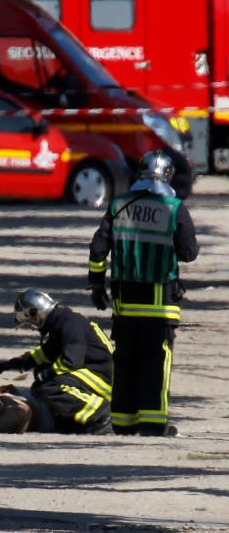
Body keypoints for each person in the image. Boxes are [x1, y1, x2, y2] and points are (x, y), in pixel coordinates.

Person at [88, 150, 199, 437]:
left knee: (125, 362)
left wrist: (97, 284)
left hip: (124, 305)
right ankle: (153, 425)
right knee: (156, 363)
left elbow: (98, 249)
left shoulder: (118, 205)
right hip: (160, 305)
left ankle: (123, 423)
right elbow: (188, 254)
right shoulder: (174, 208)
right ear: (168, 176)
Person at [0, 289, 114, 435]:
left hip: (102, 376)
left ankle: (102, 414)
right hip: (94, 372)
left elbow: (72, 361)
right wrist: (14, 363)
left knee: (50, 387)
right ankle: (79, 421)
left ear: (35, 313)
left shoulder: (68, 322)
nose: (33, 328)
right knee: (40, 387)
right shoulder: (60, 322)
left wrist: (47, 373)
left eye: (30, 322)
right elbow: (45, 353)